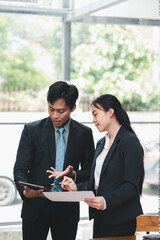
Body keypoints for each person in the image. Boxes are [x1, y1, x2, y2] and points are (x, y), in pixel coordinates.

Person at [13, 81, 95, 240]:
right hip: (35, 207)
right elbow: (20, 169)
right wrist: (25, 191)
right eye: (51, 109)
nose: (55, 115)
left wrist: (74, 175)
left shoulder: (84, 133)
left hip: (67, 209)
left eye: (61, 111)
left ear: (73, 108)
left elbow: (90, 170)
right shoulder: (32, 130)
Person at [61, 94, 144, 238]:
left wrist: (106, 201)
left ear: (110, 112)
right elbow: (97, 184)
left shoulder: (130, 142)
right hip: (100, 217)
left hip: (121, 220)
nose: (93, 120)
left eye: (95, 114)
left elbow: (131, 186)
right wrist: (75, 187)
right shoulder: (101, 144)